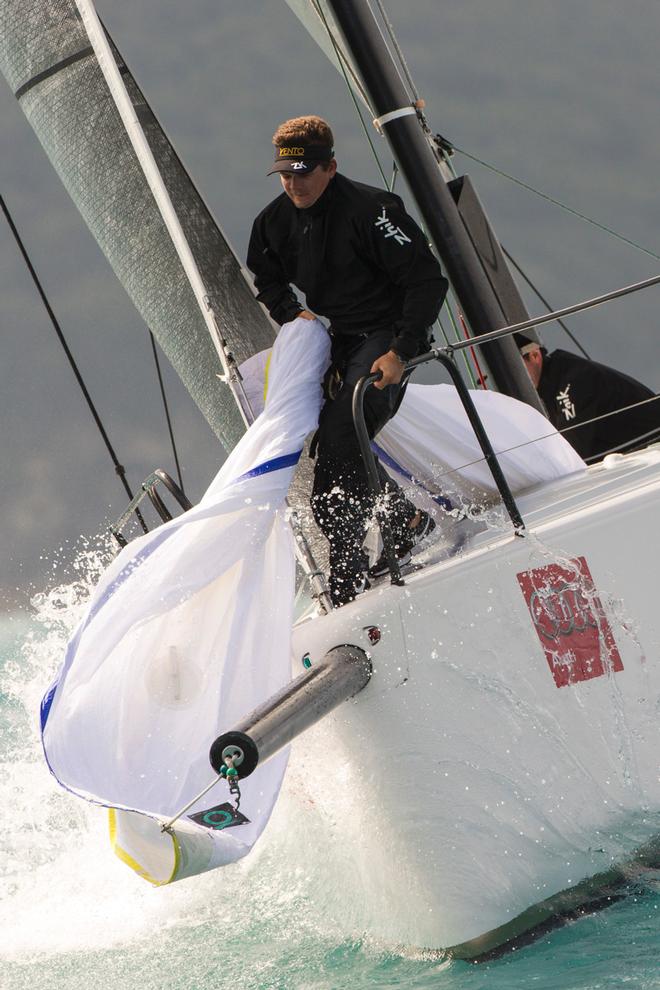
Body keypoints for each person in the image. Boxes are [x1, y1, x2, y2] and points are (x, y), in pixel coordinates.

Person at [247, 115, 448, 606]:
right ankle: (407, 523)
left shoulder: (372, 210)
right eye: (285, 174)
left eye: (304, 172)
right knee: (331, 445)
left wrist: (401, 350)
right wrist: (294, 315)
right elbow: (266, 276)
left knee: (341, 438)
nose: (294, 183)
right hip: (340, 338)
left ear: (330, 167)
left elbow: (428, 281)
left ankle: (348, 571)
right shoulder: (273, 221)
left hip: (388, 333)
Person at [515, 333, 660, 461]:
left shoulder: (571, 382)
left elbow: (571, 456)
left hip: (650, 462)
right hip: (636, 464)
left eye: (515, 366)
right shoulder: (551, 388)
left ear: (534, 355)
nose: (513, 378)